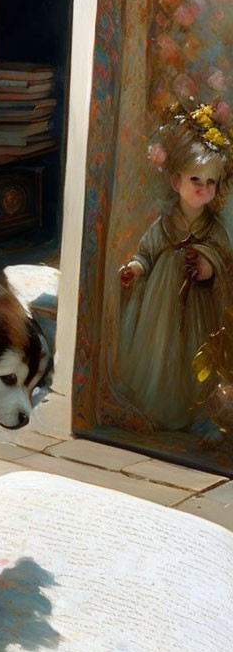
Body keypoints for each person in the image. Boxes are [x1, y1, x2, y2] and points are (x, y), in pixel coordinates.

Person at [118, 101, 233, 430]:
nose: (202, 187)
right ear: (175, 182)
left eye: (211, 182)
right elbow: (146, 253)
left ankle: (192, 411)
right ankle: (161, 409)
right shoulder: (165, 224)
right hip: (161, 309)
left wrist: (206, 267)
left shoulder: (213, 228)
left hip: (199, 307)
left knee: (192, 358)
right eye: (195, 179)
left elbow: (223, 257)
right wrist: (135, 270)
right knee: (162, 354)